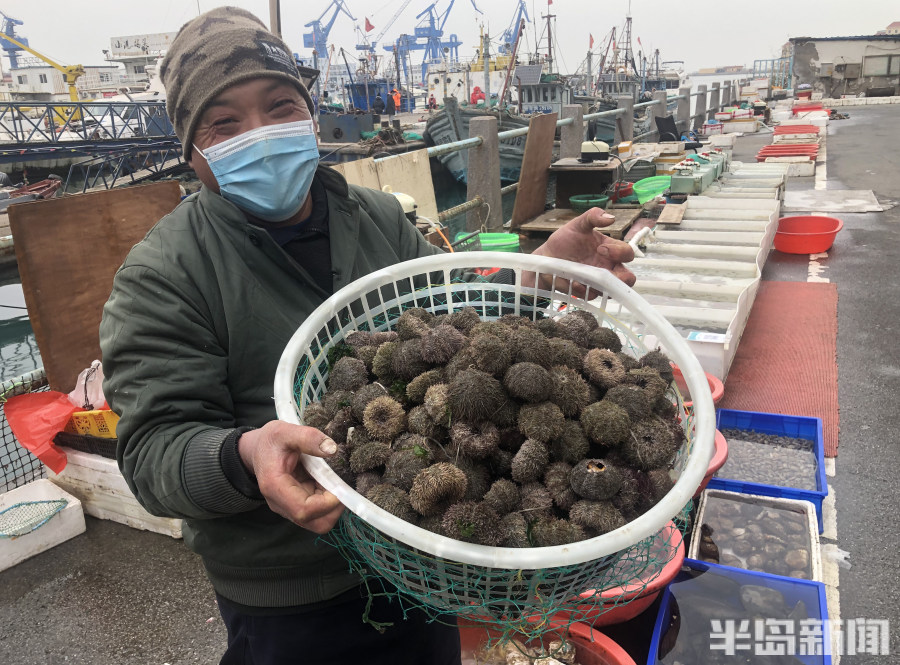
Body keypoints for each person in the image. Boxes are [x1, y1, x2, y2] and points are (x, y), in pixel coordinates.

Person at [99, 7, 635, 665]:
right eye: (225, 123)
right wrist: (245, 454)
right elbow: (152, 453)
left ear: (310, 115)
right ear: (192, 149)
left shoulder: (377, 218)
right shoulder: (164, 273)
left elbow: (455, 324)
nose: (260, 133)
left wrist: (537, 276)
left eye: (279, 105)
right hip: (292, 592)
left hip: (420, 558)